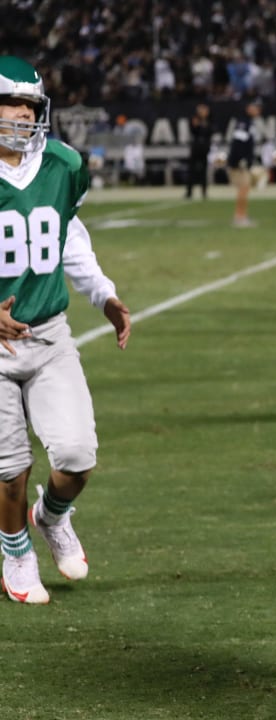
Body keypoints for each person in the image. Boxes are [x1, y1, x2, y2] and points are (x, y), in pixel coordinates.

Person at [0, 56, 132, 605]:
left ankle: (50, 516)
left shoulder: (62, 163)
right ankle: (15, 551)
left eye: (32, 105)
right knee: (10, 469)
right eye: (14, 103)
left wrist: (103, 293)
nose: (25, 115)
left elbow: (68, 235)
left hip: (49, 333)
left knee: (76, 457)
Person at [227, 98, 262, 228]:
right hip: (240, 163)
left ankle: (242, 215)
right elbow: (238, 143)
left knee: (245, 188)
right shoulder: (243, 122)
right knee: (243, 188)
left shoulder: (249, 122)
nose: (258, 110)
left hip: (244, 162)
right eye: (256, 107)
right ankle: (239, 216)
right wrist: (241, 160)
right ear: (249, 108)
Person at [185, 102, 212, 200]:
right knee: (191, 171)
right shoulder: (194, 119)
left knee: (203, 171)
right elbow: (194, 130)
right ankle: (189, 192)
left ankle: (204, 192)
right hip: (196, 148)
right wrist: (198, 124)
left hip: (204, 149)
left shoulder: (209, 120)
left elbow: (210, 132)